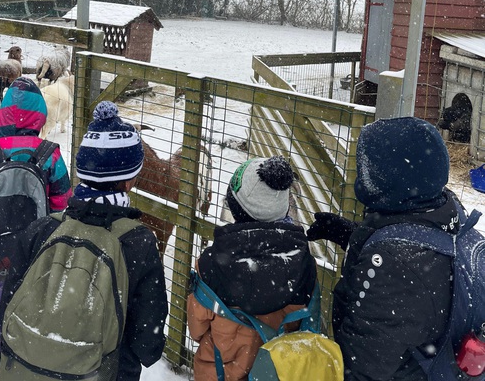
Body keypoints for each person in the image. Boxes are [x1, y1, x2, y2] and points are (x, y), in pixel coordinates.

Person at [0, 100, 168, 380]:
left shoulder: (42, 229)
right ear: (129, 181)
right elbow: (148, 343)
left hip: (26, 369)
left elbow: (5, 310)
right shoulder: (137, 242)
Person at [308, 116, 460, 381]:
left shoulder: (393, 271)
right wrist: (353, 236)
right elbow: (417, 253)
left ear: (383, 179)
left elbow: (362, 368)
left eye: (366, 169)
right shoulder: (443, 211)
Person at [0, 77, 71, 381]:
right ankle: (26, 361)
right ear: (40, 115)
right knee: (31, 305)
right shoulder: (50, 154)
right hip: (35, 250)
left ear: (3, 114)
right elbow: (61, 201)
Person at [187, 155, 317, 381]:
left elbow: (196, 329)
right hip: (278, 372)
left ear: (236, 208)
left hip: (220, 373)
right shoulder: (304, 263)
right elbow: (308, 324)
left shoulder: (210, 264)